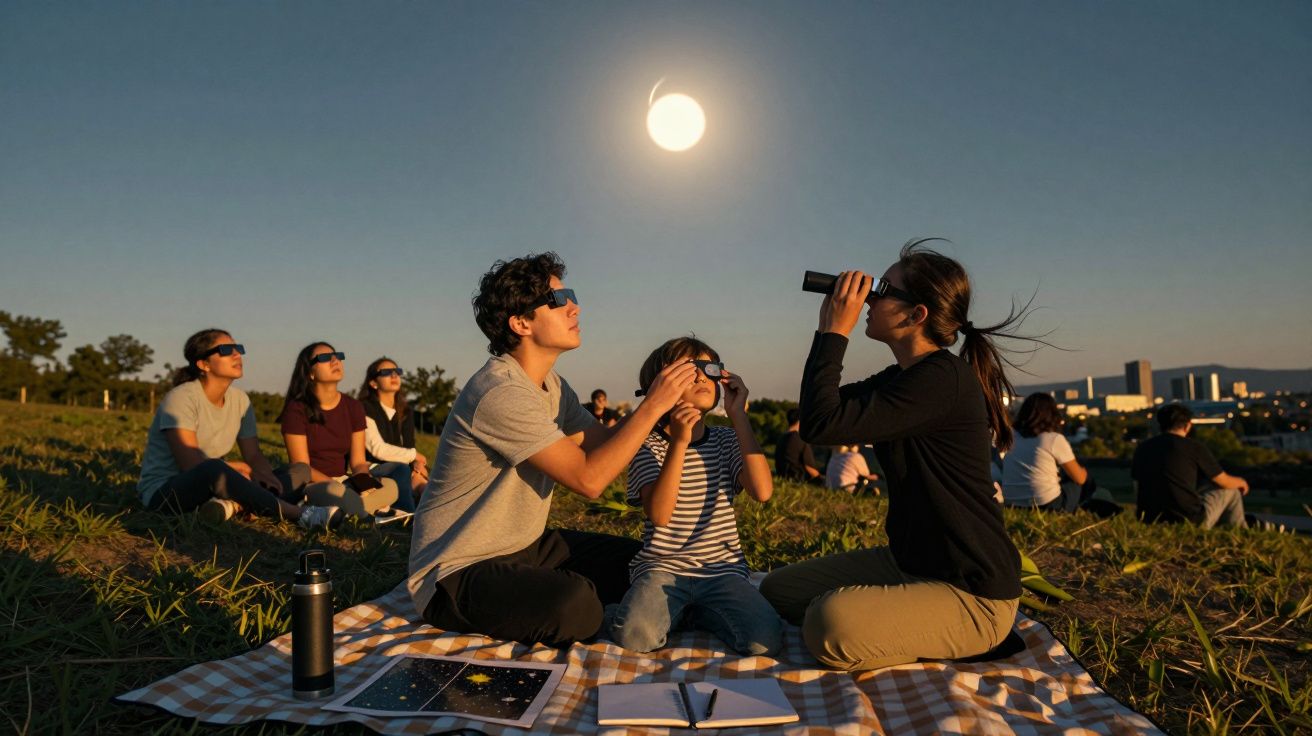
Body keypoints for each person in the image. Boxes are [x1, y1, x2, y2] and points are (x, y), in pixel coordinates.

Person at [406, 252, 699, 647]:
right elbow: (589, 479)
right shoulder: (499, 392)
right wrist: (653, 405)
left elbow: (604, 444)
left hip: (525, 546)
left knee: (642, 561)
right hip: (457, 571)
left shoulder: (554, 385)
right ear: (521, 323)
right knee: (576, 606)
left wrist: (666, 403)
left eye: (571, 296)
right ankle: (603, 609)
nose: (575, 307)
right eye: (559, 300)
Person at [759, 239, 1025, 671]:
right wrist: (827, 328)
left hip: (970, 589)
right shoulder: (904, 376)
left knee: (828, 626)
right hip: (910, 563)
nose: (868, 300)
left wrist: (836, 333)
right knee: (778, 592)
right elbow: (817, 416)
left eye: (880, 290)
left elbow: (822, 424)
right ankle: (908, 624)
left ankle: (966, 639)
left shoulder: (942, 380)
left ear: (916, 314)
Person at [606, 337, 782, 655]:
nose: (702, 376)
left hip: (723, 570)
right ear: (660, 384)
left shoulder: (727, 440)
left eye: (709, 368)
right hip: (662, 569)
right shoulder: (648, 445)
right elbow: (660, 514)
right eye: (689, 369)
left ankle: (689, 614)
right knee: (635, 637)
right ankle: (643, 611)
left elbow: (762, 491)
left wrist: (739, 416)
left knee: (764, 640)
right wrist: (679, 443)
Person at [137, 328, 337, 529]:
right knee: (214, 470)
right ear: (203, 364)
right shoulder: (181, 398)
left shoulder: (240, 400)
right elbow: (191, 465)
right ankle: (299, 514)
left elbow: (253, 454)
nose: (237, 355)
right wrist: (240, 469)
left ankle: (233, 506)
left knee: (299, 470)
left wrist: (266, 477)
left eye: (238, 349)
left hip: (217, 483)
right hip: (166, 492)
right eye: (226, 350)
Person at [279, 342, 399, 520]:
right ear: (310, 372)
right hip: (314, 484)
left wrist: (364, 483)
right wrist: (339, 487)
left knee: (391, 486)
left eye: (338, 356)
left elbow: (358, 462)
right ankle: (366, 512)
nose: (335, 361)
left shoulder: (354, 407)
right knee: (337, 492)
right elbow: (302, 467)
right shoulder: (296, 409)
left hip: (345, 481)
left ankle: (351, 510)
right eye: (325, 358)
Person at [1133, 403, 1250, 528]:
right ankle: (1240, 530)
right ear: (1187, 426)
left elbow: (1137, 486)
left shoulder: (1143, 448)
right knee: (1232, 491)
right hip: (1189, 520)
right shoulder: (1194, 447)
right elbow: (1223, 481)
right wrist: (1241, 482)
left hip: (1150, 520)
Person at [1000, 393, 1095, 511]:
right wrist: (1084, 472)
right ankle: (1085, 506)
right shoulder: (1053, 439)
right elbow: (1079, 478)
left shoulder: (1011, 437)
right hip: (1047, 504)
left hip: (1012, 503)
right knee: (1080, 479)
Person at [357, 357, 428, 514]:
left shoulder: (406, 411)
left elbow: (409, 446)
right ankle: (406, 515)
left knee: (428, 484)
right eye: (386, 372)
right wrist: (414, 455)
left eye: (397, 371)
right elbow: (377, 449)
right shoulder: (364, 408)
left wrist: (417, 465)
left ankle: (430, 518)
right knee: (402, 471)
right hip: (373, 467)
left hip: (403, 467)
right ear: (373, 383)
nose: (394, 375)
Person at [774, 409, 823, 485]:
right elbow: (809, 467)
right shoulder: (800, 439)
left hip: (781, 475)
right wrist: (820, 478)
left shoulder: (781, 437)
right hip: (797, 478)